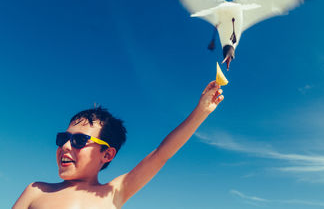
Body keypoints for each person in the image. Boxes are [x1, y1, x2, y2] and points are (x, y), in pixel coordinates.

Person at [13, 81, 224, 209]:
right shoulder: (36, 191)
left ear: (107, 154)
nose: (66, 146)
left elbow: (161, 154)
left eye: (79, 140)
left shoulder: (114, 192)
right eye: (63, 138)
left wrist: (201, 112)